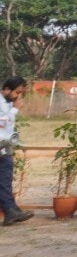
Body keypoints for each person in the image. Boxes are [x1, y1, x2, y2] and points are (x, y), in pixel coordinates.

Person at [0, 76, 32, 226]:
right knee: (3, 181)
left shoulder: (7, 103)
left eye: (21, 93)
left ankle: (12, 210)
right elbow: (2, 124)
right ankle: (10, 211)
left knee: (5, 180)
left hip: (5, 148)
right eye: (17, 92)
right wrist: (15, 110)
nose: (18, 97)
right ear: (7, 89)